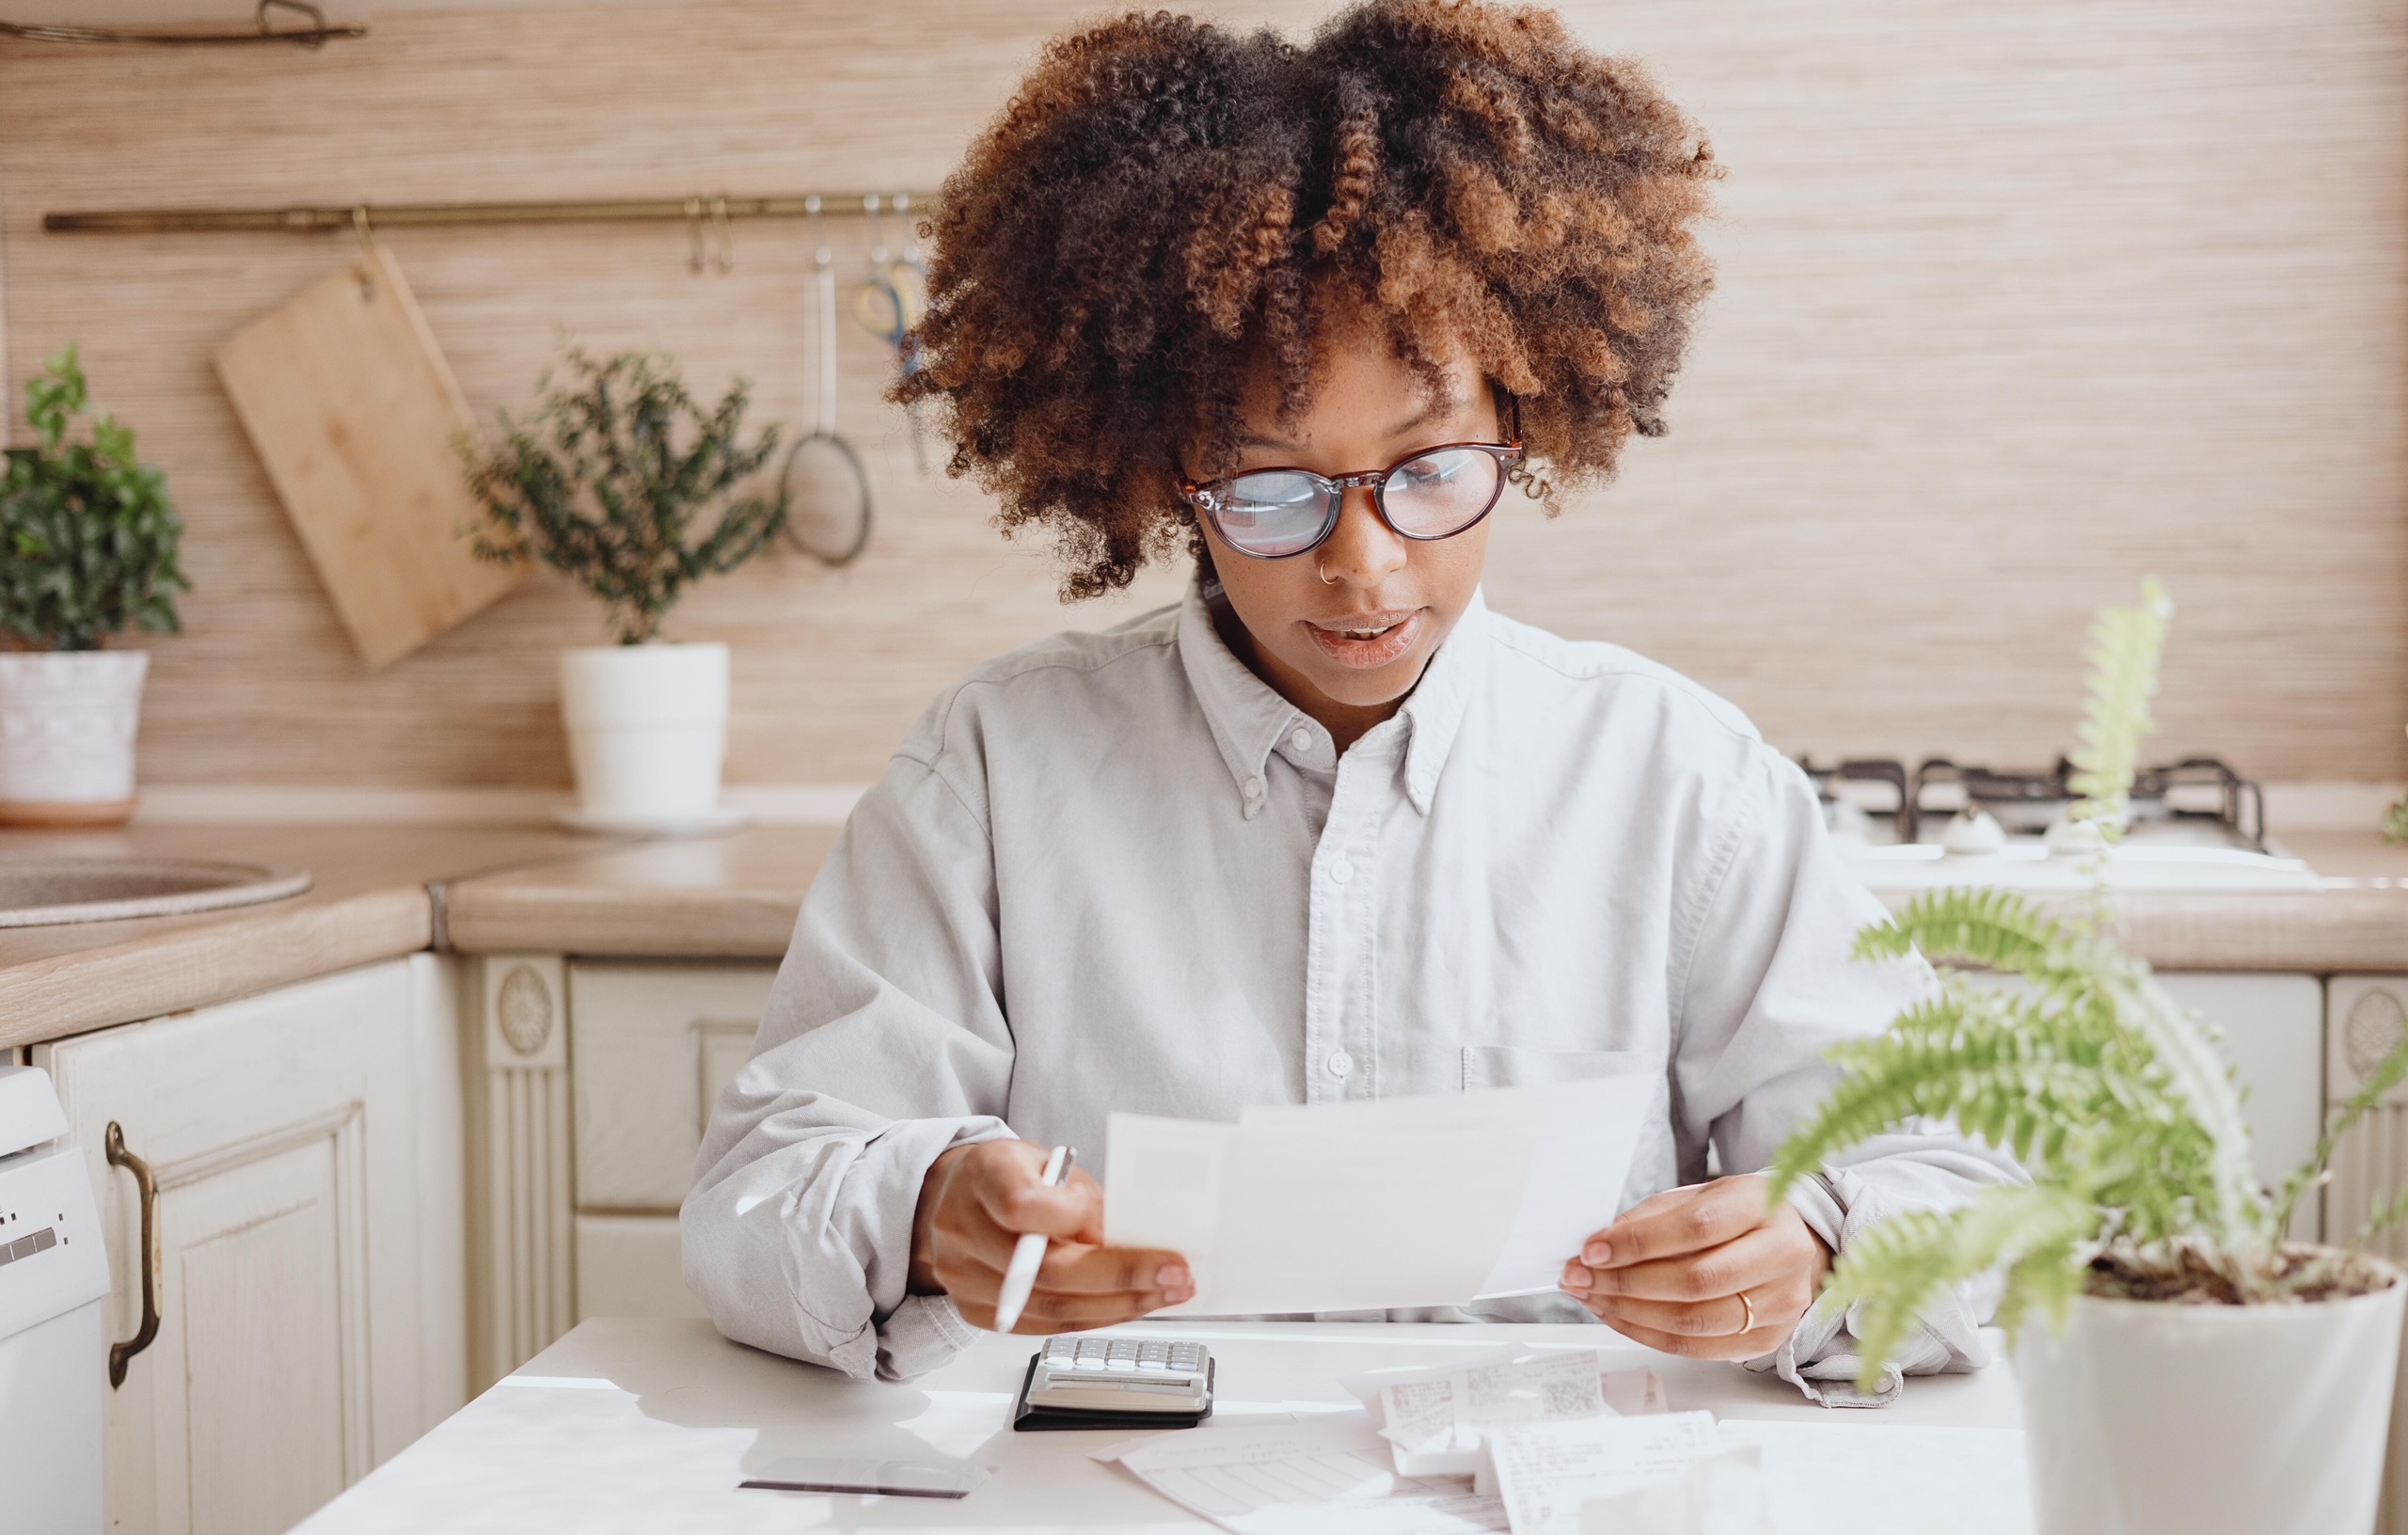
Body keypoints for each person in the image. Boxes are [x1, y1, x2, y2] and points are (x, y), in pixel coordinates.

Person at [684, 0, 2020, 1405]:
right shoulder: (997, 774)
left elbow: (1963, 1187)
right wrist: (921, 1201)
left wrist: (1819, 1243)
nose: (1362, 564)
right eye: (1270, 490)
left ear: (1525, 419)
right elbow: (754, 1199)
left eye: (1432, 471)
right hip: (1107, 1522)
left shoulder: (1677, 782)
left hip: (1547, 1534)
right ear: (1168, 474)